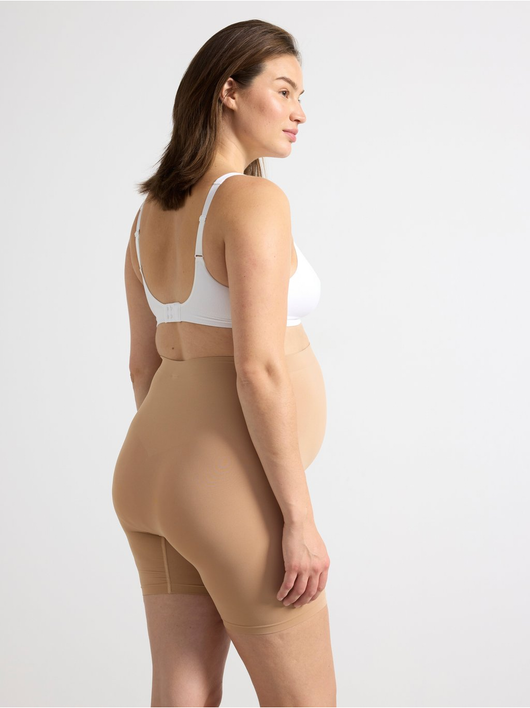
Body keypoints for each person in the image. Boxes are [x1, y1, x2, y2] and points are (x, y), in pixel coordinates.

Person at [112, 18, 337, 708]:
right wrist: (297, 518)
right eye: (284, 90)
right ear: (229, 91)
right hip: (225, 489)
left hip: (147, 472)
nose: (300, 112)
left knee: (183, 694)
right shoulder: (251, 200)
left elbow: (143, 367)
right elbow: (257, 368)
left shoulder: (150, 214)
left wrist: (180, 469)